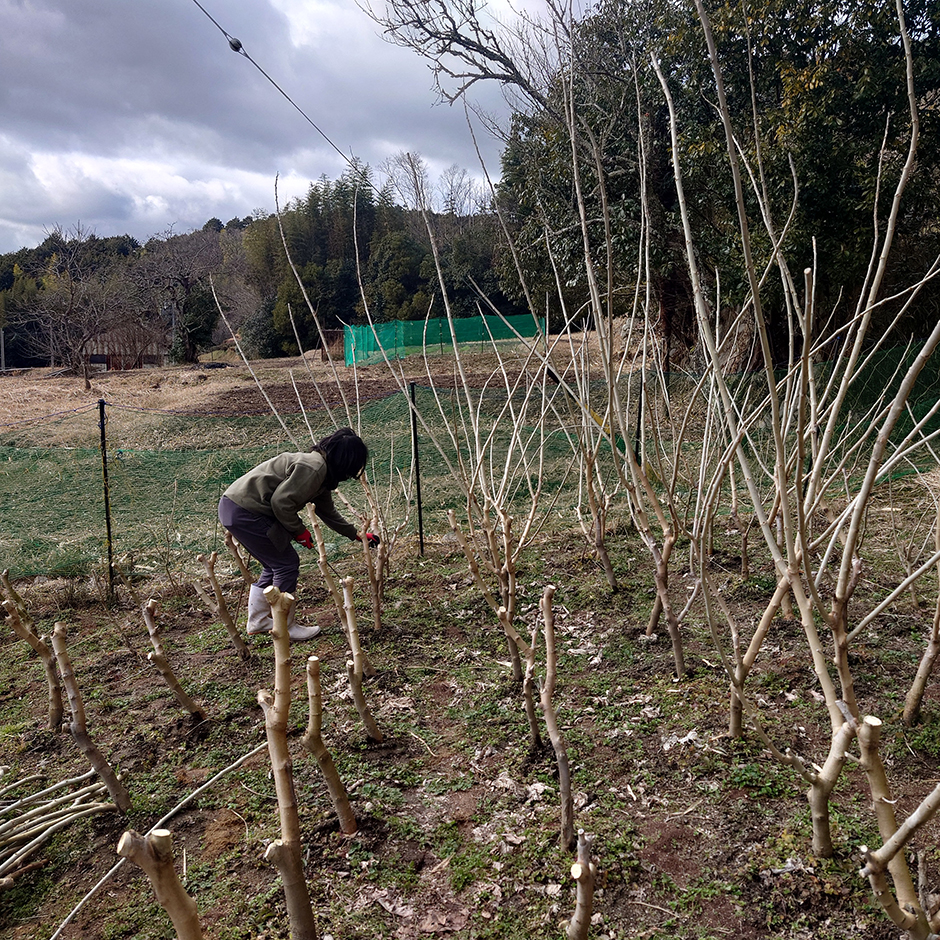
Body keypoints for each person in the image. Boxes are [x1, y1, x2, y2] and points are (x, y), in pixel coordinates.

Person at [218, 427, 379, 641]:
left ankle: (258, 621)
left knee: (275, 564)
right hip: (245, 511)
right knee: (286, 564)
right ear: (346, 462)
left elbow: (327, 511)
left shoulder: (321, 472)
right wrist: (299, 531)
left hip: (236, 508)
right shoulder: (313, 469)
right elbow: (281, 502)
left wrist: (356, 535)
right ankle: (284, 625)